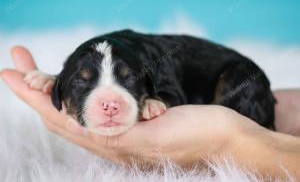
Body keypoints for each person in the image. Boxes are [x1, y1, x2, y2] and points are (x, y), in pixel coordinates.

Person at [1, 46, 300, 180]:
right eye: (82, 82)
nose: (109, 102)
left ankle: (264, 127)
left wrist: (231, 141)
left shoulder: (154, 70)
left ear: (146, 80)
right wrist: (56, 80)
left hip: (237, 76)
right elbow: (75, 75)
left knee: (237, 82)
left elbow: (170, 91)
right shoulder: (76, 70)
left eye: (127, 79)